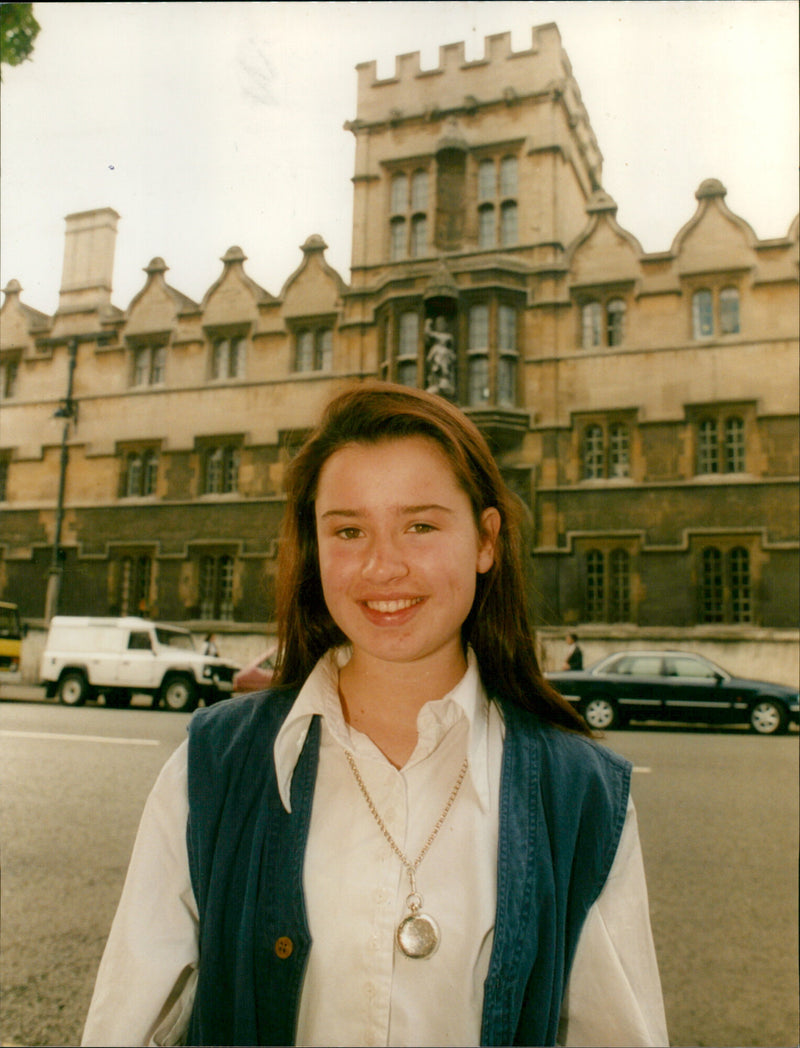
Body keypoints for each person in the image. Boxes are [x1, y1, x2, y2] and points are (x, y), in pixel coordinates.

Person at [82, 382, 668, 1047]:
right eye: (349, 530)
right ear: (315, 546)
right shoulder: (214, 763)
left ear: (485, 540)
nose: (383, 565)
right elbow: (126, 1024)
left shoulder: (583, 795)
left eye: (420, 524)